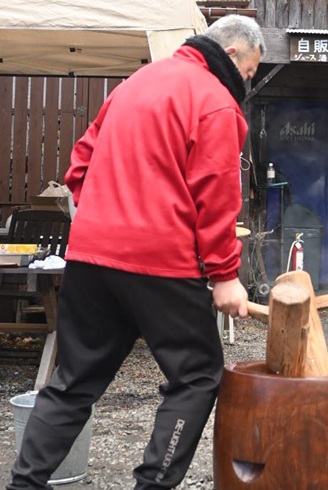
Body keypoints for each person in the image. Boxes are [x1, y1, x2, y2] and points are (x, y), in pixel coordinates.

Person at [7, 14, 265, 490]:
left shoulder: (135, 83)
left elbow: (78, 163)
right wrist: (226, 274)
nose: (247, 82)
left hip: (89, 256)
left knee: (73, 380)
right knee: (197, 376)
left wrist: (103, 215)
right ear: (231, 55)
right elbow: (217, 197)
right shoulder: (217, 103)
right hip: (160, 263)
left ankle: (24, 484)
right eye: (250, 71)